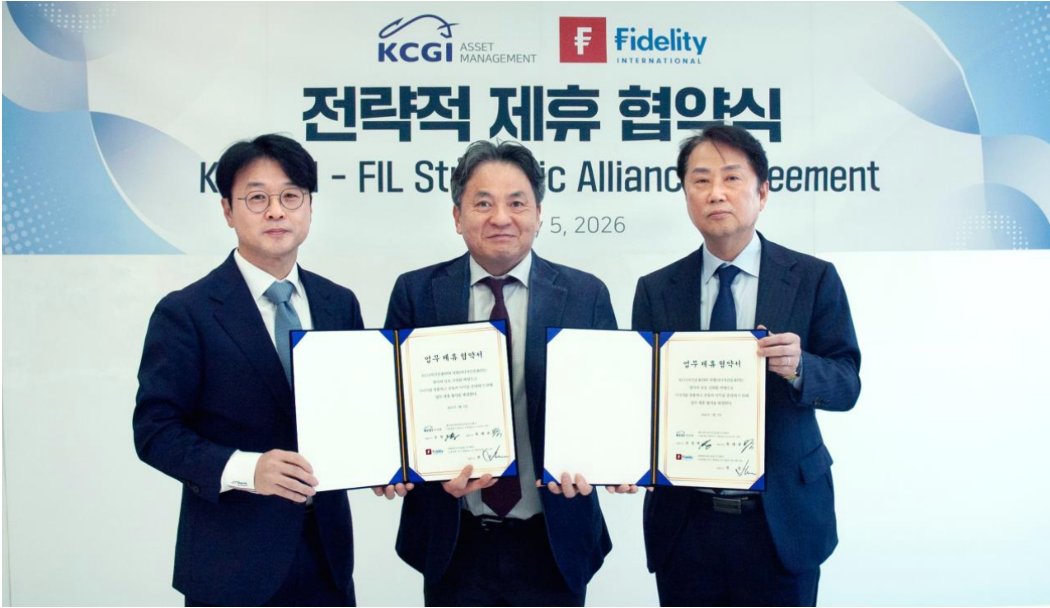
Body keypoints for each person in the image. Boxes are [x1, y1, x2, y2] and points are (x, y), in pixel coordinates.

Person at [383, 140, 625, 607]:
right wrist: (425, 469)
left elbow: (610, 403)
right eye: (483, 203)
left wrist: (613, 462)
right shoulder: (417, 293)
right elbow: (393, 407)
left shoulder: (585, 294)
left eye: (517, 203)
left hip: (553, 538)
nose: (500, 218)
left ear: (539, 214)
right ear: (457, 216)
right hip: (455, 538)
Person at [634, 125, 862, 607]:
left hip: (782, 522)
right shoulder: (656, 289)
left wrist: (800, 368)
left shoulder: (814, 278)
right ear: (686, 195)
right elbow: (641, 398)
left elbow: (847, 383)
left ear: (762, 193)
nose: (715, 193)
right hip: (686, 524)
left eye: (732, 178)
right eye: (700, 180)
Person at [133, 134, 361, 607]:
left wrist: (388, 462)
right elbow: (155, 431)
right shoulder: (187, 312)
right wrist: (246, 469)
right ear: (227, 210)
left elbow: (359, 409)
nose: (276, 211)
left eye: (291, 196)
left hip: (327, 558)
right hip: (230, 565)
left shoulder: (338, 303)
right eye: (257, 198)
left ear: (309, 207)